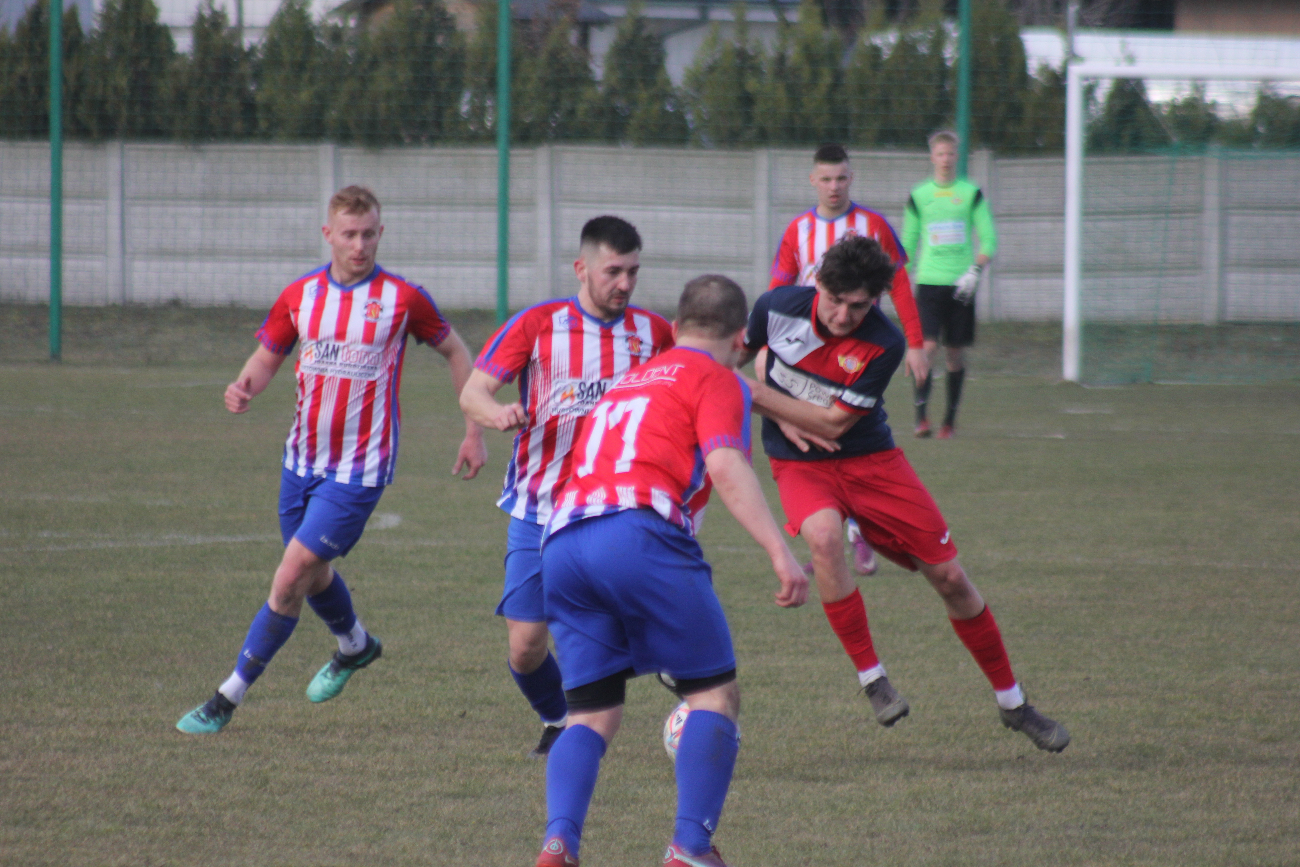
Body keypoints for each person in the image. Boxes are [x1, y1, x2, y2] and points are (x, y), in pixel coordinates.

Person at [176, 186, 487, 734]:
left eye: (369, 234)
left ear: (380, 233)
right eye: (349, 234)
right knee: (312, 573)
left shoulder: (402, 299)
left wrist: (473, 430)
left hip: (360, 471)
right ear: (329, 235)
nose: (360, 244)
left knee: (290, 576)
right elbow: (267, 355)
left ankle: (226, 698)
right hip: (300, 462)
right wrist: (244, 386)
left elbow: (457, 351)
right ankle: (355, 646)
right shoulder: (300, 296)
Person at [741, 235, 1069, 753]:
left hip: (872, 461)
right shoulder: (775, 308)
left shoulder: (884, 341)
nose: (846, 315)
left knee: (951, 577)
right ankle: (873, 680)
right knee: (824, 539)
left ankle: (1014, 703)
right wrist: (765, 397)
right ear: (817, 283)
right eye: (837, 300)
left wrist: (763, 398)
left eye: (860, 305)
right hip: (799, 463)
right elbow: (732, 363)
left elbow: (833, 424)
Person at [533, 275, 809, 867]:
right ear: (743, 339)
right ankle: (689, 847)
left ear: (676, 326)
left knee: (590, 711)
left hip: (562, 541)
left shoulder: (629, 381)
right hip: (637, 532)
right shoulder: (718, 379)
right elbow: (727, 464)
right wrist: (779, 551)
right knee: (713, 693)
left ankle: (558, 843)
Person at [459, 216, 675, 758]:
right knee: (526, 646)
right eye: (613, 272)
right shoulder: (537, 325)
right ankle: (557, 718)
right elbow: (474, 391)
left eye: (633, 272)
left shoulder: (654, 333)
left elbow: (697, 381)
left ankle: (670, 654)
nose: (624, 283)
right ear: (582, 269)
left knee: (631, 614)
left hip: (616, 509)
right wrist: (495, 412)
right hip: (539, 507)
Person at [768, 142, 929, 578]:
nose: (834, 187)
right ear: (813, 181)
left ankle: (852, 532)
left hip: (860, 353)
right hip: (806, 352)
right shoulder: (797, 230)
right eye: (826, 178)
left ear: (850, 178)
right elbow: (775, 294)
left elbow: (899, 285)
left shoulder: (872, 224)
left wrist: (914, 342)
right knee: (816, 435)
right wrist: (767, 372)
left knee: (849, 432)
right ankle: (836, 534)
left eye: (841, 178)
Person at [901, 130, 999, 439]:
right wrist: (898, 279)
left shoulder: (971, 193)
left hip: (962, 286)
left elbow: (989, 239)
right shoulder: (919, 196)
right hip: (928, 283)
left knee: (955, 354)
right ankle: (921, 418)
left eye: (950, 154)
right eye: (939, 154)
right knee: (927, 348)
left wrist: (975, 270)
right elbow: (907, 242)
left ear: (957, 157)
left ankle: (949, 422)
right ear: (932, 157)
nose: (945, 159)